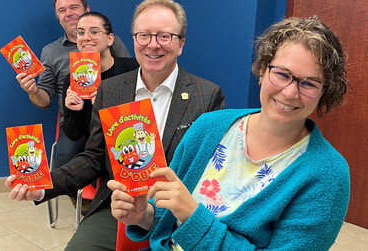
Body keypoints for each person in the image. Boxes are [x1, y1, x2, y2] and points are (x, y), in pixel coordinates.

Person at [108, 16, 350, 250]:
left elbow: (186, 214)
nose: (289, 92)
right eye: (282, 74)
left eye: (308, 83)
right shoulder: (208, 127)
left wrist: (193, 217)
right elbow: (165, 219)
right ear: (263, 72)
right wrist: (143, 216)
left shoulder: (327, 175)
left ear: (324, 92)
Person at [5, 0, 225, 250]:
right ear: (133, 39)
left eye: (164, 36)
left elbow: (212, 171)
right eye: (143, 35)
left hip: (178, 212)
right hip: (119, 207)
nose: (153, 44)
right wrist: (43, 185)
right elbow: (93, 157)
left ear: (180, 43)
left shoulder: (207, 95)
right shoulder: (110, 90)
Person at [16, 0, 131, 175]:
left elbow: (127, 77)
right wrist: (33, 91)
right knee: (65, 167)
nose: (68, 13)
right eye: (62, 10)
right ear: (58, 17)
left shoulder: (114, 46)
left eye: (74, 7)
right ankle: (83, 198)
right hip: (76, 118)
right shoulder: (51, 53)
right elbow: (44, 99)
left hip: (116, 116)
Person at [62, 12, 139, 143]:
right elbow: (73, 134)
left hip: (131, 146)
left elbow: (144, 119)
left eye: (94, 32)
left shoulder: (133, 69)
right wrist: (75, 111)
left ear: (110, 39)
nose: (86, 38)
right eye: (80, 33)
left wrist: (106, 106)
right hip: (96, 154)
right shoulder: (71, 80)